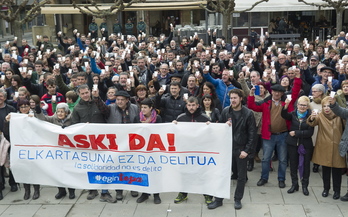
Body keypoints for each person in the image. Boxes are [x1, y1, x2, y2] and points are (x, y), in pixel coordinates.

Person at [208, 89, 256, 210]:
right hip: (226, 148)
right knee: (222, 174)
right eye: (231, 98)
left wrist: (247, 150)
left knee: (241, 176)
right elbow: (220, 129)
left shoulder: (248, 114)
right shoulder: (226, 111)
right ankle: (219, 199)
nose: (233, 100)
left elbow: (252, 134)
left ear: (241, 98)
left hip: (241, 149)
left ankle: (237, 199)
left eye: (235, 98)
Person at [71, 84, 116, 202]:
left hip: (102, 142)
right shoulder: (77, 108)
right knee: (90, 166)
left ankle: (105, 192)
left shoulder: (98, 102)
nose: (85, 95)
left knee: (104, 167)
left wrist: (97, 98)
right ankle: (92, 189)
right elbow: (74, 125)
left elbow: (107, 113)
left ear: (90, 92)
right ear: (79, 95)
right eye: (82, 93)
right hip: (87, 144)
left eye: (87, 92)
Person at [93, 90, 139, 200]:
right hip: (116, 144)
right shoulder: (110, 108)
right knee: (119, 166)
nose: (119, 102)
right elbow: (102, 107)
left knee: (132, 165)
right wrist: (96, 97)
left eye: (122, 100)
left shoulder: (134, 108)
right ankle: (119, 190)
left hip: (131, 142)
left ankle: (134, 187)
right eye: (118, 99)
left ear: (127, 100)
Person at [172, 96, 213, 205]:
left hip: (201, 151)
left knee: (203, 173)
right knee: (184, 173)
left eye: (193, 105)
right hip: (185, 151)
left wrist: (211, 126)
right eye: (189, 105)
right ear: (186, 105)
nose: (191, 107)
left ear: (198, 105)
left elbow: (211, 135)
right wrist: (173, 126)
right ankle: (183, 193)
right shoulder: (180, 118)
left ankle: (207, 194)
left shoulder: (205, 118)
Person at [307, 96, 347, 200]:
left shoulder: (340, 116)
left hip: (338, 146)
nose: (326, 108)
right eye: (324, 106)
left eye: (328, 106)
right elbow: (312, 123)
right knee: (325, 170)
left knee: (337, 171)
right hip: (324, 147)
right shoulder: (320, 116)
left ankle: (337, 191)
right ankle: (326, 189)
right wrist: (311, 117)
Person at [35, 103, 76, 199]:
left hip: (69, 151)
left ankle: (71, 191)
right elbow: (43, 119)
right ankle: (61, 190)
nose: (60, 113)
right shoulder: (52, 119)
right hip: (56, 151)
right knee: (58, 171)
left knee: (69, 171)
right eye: (58, 111)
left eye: (62, 111)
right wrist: (38, 111)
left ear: (66, 112)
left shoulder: (72, 119)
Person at [4, 99, 40, 200]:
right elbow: (7, 133)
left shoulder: (35, 115)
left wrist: (35, 119)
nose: (24, 109)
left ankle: (36, 190)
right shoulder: (15, 118)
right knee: (24, 169)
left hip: (33, 146)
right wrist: (6, 121)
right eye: (21, 107)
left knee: (34, 168)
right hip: (21, 148)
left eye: (26, 106)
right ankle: (27, 190)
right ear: (19, 108)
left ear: (29, 107)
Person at [281, 96, 314, 196]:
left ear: (308, 106)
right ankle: (294, 185)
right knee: (293, 165)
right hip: (292, 144)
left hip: (305, 144)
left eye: (304, 105)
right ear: (297, 105)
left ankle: (305, 186)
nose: (302, 107)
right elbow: (283, 115)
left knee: (306, 166)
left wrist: (296, 133)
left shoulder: (311, 116)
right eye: (300, 104)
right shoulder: (293, 114)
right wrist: (286, 105)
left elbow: (310, 132)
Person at [134, 98, 162, 204]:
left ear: (151, 108)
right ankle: (144, 193)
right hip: (141, 149)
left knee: (154, 172)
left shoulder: (158, 118)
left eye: (145, 107)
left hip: (154, 148)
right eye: (142, 107)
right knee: (143, 171)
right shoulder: (137, 118)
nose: (143, 109)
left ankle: (156, 194)